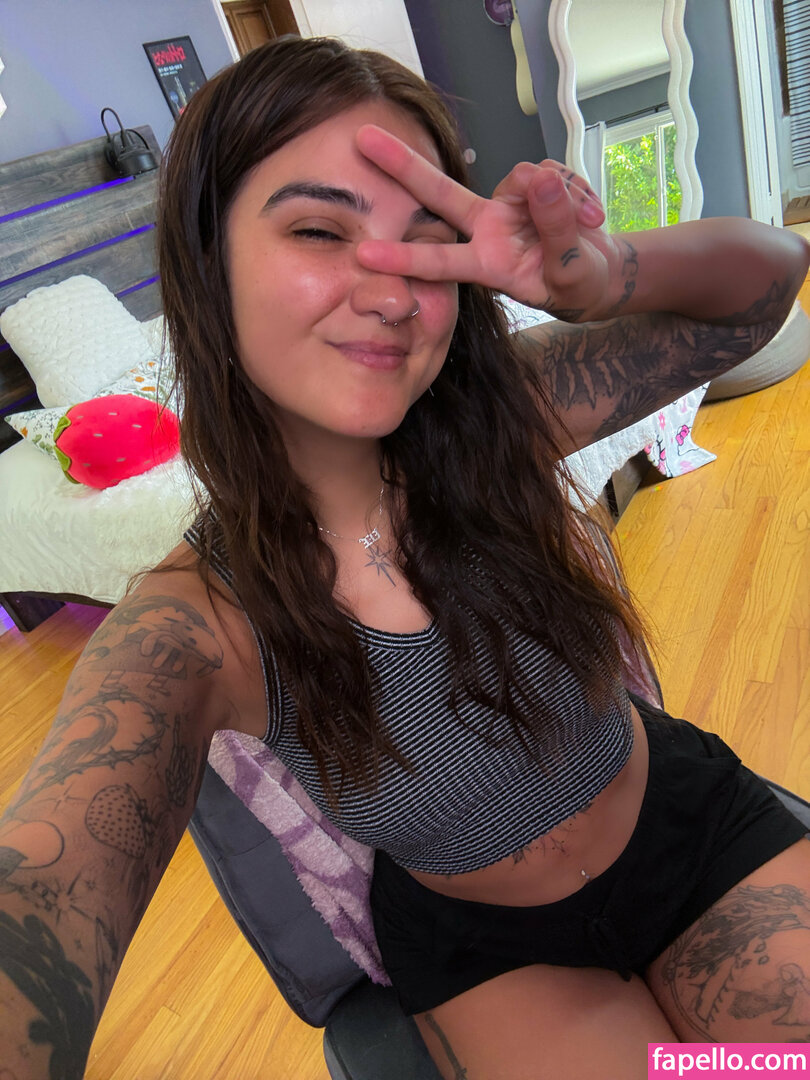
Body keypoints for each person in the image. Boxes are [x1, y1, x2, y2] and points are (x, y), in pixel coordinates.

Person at [1, 35, 809, 1080]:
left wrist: (608, 276)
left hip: (686, 829)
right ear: (207, 264)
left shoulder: (505, 420)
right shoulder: (194, 630)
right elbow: (44, 889)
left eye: (425, 245)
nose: (391, 293)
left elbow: (768, 284)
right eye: (319, 229)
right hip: (495, 954)